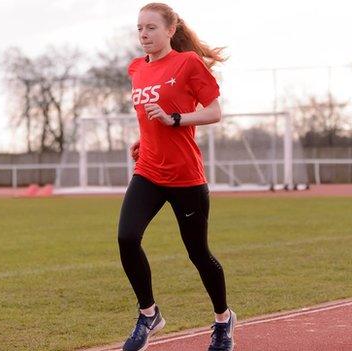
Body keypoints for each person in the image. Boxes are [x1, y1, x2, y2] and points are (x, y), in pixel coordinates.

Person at [117, 3, 236, 351]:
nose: (143, 35)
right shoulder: (136, 68)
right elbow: (148, 116)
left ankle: (223, 319)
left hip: (185, 177)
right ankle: (149, 315)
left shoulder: (188, 64)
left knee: (198, 253)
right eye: (140, 28)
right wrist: (145, 138)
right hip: (149, 171)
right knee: (127, 238)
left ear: (170, 30)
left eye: (151, 28)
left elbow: (214, 111)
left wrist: (175, 119)